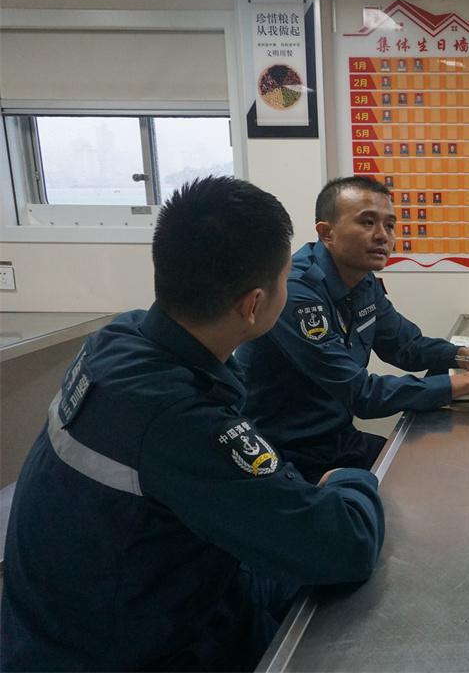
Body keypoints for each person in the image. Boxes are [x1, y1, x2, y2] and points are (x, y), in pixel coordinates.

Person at [1, 177, 386, 671]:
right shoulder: (180, 420)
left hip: (74, 612)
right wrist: (349, 480)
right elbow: (345, 544)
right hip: (121, 650)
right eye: (286, 279)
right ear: (253, 305)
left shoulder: (118, 340)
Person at [237, 175, 469, 482]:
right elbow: (361, 394)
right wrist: (467, 383)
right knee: (425, 481)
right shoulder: (298, 293)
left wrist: (465, 355)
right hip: (285, 456)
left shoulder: (361, 278)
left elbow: (405, 346)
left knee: (448, 468)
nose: (383, 236)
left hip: (337, 439)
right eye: (367, 222)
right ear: (327, 233)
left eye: (390, 225)